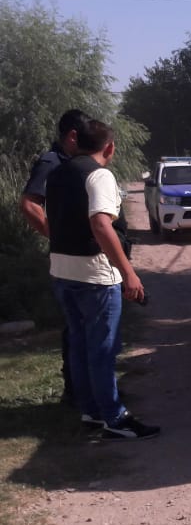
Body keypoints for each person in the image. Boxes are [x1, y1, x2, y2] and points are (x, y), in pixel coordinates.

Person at [45, 118, 160, 440]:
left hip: (61, 271)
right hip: (94, 275)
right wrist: (128, 273)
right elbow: (100, 224)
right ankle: (113, 416)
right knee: (102, 349)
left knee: (81, 345)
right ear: (108, 148)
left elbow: (51, 219)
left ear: (75, 141)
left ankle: (92, 411)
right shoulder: (100, 175)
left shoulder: (57, 174)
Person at [19, 109, 91, 405]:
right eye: (85, 138)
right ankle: (75, 390)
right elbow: (29, 204)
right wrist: (58, 236)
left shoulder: (67, 162)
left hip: (76, 259)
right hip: (69, 260)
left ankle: (85, 388)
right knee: (76, 326)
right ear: (72, 136)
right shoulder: (51, 162)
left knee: (83, 324)